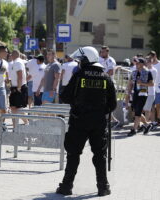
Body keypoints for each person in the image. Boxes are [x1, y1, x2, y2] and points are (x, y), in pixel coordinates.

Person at [56, 46, 117, 197]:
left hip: (79, 121)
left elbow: (65, 96)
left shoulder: (79, 75)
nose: (79, 63)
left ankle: (66, 186)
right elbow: (113, 104)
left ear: (86, 60)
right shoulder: (105, 77)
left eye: (80, 60)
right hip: (98, 122)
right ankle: (103, 187)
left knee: (73, 154)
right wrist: (100, 111)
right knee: (100, 155)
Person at [125, 57, 154, 136]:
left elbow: (151, 84)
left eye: (138, 63)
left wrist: (142, 83)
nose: (136, 64)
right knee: (135, 111)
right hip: (135, 94)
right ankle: (147, 125)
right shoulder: (134, 72)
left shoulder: (148, 72)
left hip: (143, 93)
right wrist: (129, 91)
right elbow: (131, 83)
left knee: (138, 111)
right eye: (136, 63)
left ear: (142, 63)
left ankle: (134, 129)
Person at [148, 51, 160, 125]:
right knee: (151, 104)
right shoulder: (148, 64)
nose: (151, 58)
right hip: (151, 86)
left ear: (155, 56)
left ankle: (158, 119)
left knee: (158, 104)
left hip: (159, 85)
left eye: (152, 57)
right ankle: (152, 120)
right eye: (150, 57)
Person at [9, 50, 28, 121]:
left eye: (11, 55)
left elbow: (20, 76)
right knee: (13, 108)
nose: (10, 56)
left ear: (14, 55)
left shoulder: (18, 62)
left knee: (18, 108)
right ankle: (15, 127)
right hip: (16, 87)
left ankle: (26, 123)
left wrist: (19, 88)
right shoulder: (16, 62)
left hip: (19, 87)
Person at [142, 56, 157, 124]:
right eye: (145, 62)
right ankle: (145, 123)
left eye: (147, 61)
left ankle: (146, 124)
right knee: (143, 109)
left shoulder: (154, 70)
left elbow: (151, 83)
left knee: (147, 109)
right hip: (143, 92)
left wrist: (142, 83)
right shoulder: (144, 70)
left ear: (151, 62)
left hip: (150, 92)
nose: (146, 63)